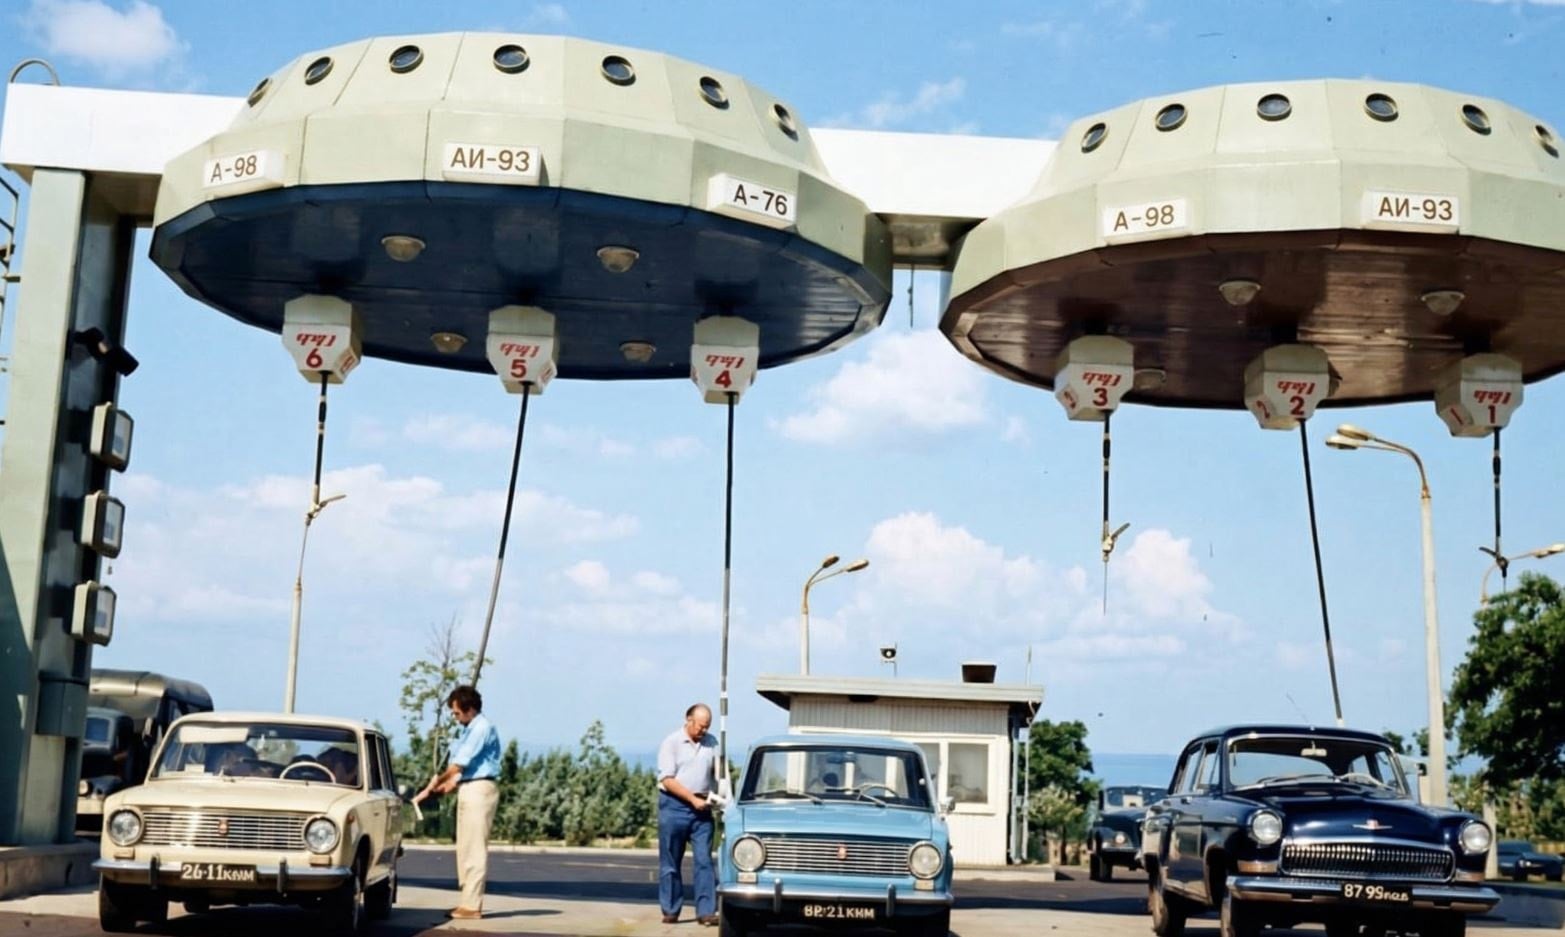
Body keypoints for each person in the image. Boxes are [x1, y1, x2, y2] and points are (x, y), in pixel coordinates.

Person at [415, 685, 501, 921]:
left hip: (480, 789)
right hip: (468, 786)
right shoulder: (468, 729)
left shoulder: (482, 728)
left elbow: (458, 764)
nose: (455, 717)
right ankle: (466, 902)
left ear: (469, 709)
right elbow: (463, 769)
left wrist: (434, 783)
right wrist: (447, 786)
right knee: (464, 848)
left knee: (474, 848)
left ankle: (472, 906)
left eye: (456, 713)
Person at [656, 703, 718, 925]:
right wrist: (692, 799)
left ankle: (706, 912)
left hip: (702, 809)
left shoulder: (712, 742)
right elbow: (667, 779)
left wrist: (720, 798)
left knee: (704, 860)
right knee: (671, 861)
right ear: (688, 720)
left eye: (707, 727)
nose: (704, 731)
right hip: (675, 806)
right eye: (701, 726)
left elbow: (719, 774)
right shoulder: (671, 743)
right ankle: (670, 909)